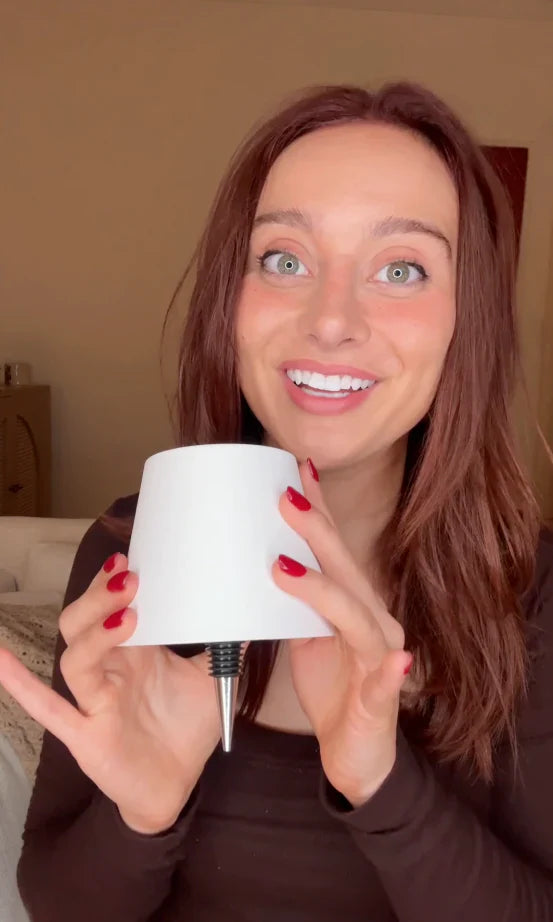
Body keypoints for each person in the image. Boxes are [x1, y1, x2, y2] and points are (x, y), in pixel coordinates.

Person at [0, 81, 552, 922]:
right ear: (231, 297)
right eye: (284, 260)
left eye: (401, 269)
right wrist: (143, 816)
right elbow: (58, 902)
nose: (329, 321)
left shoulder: (533, 592)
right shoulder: (130, 552)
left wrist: (381, 783)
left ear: (464, 321)